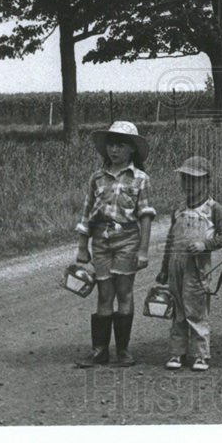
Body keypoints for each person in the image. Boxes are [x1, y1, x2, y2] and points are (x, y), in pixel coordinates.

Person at [74, 121, 156, 367]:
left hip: (128, 241)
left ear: (132, 149)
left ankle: (123, 350)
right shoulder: (97, 178)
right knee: (104, 294)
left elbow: (146, 215)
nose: (114, 150)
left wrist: (143, 250)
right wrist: (82, 246)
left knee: (124, 292)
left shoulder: (140, 179)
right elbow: (87, 213)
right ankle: (99, 350)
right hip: (101, 242)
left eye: (120, 145)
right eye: (111, 145)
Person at [156, 156, 222, 371]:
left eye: (194, 180)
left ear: (207, 182)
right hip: (175, 265)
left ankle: (200, 354)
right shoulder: (178, 209)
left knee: (196, 309)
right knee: (177, 309)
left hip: (198, 267)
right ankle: (176, 352)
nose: (188, 185)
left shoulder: (214, 209)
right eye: (185, 179)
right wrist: (163, 270)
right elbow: (170, 242)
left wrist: (205, 244)